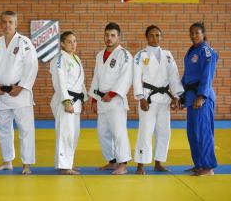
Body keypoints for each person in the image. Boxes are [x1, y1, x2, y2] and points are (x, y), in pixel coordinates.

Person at [0, 11, 38, 175]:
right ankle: (7, 161)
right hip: (2, 93)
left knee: (25, 130)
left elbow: (32, 66)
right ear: (0, 24)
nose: (7, 25)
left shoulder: (24, 42)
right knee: (3, 129)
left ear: (16, 24)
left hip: (20, 93)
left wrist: (22, 87)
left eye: (10, 22)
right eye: (4, 22)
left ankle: (27, 164)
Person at [133, 25, 184, 175]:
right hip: (148, 98)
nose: (155, 38)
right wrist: (140, 97)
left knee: (164, 131)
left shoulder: (168, 55)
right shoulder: (140, 55)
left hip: (164, 99)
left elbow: (174, 76)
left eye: (158, 35)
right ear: (146, 37)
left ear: (161, 37)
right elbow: (136, 78)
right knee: (145, 131)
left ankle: (158, 162)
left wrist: (176, 96)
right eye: (152, 35)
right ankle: (140, 165)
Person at [89, 22, 133, 175]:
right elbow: (96, 77)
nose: (109, 38)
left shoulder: (125, 55)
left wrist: (113, 93)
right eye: (107, 35)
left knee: (118, 132)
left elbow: (126, 77)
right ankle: (112, 161)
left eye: (113, 35)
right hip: (101, 101)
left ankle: (123, 164)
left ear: (118, 37)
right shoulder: (100, 55)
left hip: (115, 101)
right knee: (103, 133)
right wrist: (94, 99)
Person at [182, 22, 218, 176]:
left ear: (203, 33)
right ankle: (199, 164)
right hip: (191, 97)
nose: (194, 36)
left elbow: (207, 75)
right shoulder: (191, 52)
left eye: (197, 32)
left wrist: (201, 96)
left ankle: (208, 167)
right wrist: (181, 96)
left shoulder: (207, 51)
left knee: (203, 132)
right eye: (192, 33)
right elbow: (186, 76)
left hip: (201, 97)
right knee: (193, 132)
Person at [50, 31, 87, 175]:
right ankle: (64, 166)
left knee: (74, 134)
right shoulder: (60, 58)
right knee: (65, 133)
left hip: (76, 101)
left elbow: (80, 81)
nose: (73, 44)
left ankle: (68, 162)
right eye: (69, 42)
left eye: (75, 41)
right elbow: (59, 81)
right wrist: (66, 101)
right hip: (65, 101)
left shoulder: (76, 58)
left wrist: (84, 99)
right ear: (62, 44)